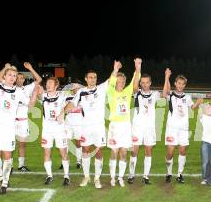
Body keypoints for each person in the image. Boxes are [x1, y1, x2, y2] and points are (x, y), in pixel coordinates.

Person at [0, 47, 34, 195]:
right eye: (9, 75)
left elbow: (30, 105)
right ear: (5, 76)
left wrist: (35, 92)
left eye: (14, 76)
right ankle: (2, 177)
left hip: (10, 128)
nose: (12, 77)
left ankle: (4, 183)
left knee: (8, 156)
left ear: (16, 78)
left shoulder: (19, 92)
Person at [66, 63, 121, 189]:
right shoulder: (80, 92)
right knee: (85, 151)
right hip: (85, 127)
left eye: (95, 77)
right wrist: (62, 113)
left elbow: (111, 79)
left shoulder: (101, 88)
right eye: (90, 77)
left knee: (98, 151)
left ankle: (97, 178)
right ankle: (86, 176)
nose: (93, 79)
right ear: (86, 79)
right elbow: (72, 104)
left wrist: (115, 69)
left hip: (98, 127)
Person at [0, 62, 42, 172]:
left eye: (22, 78)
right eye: (18, 78)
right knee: (9, 145)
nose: (20, 80)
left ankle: (21, 165)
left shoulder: (27, 89)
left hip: (23, 121)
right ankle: (9, 165)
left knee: (22, 144)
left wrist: (30, 68)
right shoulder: (9, 88)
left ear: (24, 80)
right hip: (10, 121)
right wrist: (6, 67)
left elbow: (39, 79)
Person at [128, 73, 169, 185]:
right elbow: (134, 87)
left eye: (147, 82)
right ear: (140, 83)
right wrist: (137, 69)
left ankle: (145, 176)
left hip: (149, 128)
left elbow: (165, 94)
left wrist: (166, 77)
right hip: (137, 127)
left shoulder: (154, 94)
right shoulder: (137, 93)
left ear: (150, 83)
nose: (145, 84)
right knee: (134, 151)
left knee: (148, 151)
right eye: (143, 82)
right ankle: (131, 175)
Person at [163, 68, 203, 183]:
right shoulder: (170, 95)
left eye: (183, 84)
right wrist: (167, 77)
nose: (180, 85)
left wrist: (198, 103)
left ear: (185, 85)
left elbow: (193, 107)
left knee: (183, 151)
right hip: (172, 128)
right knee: (170, 152)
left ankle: (180, 174)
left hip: (184, 129)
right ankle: (169, 172)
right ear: (175, 83)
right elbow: (164, 92)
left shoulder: (187, 97)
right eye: (179, 83)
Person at [29, 77, 71, 186]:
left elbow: (73, 102)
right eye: (47, 83)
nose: (47, 85)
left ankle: (66, 176)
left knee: (63, 152)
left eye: (50, 83)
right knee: (47, 153)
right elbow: (32, 101)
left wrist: (63, 112)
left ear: (56, 85)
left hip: (59, 129)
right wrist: (36, 88)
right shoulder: (43, 96)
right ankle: (49, 175)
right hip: (47, 130)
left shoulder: (62, 96)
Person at [106, 59, 141, 187]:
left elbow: (135, 81)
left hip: (126, 126)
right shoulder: (111, 92)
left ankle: (120, 177)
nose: (120, 83)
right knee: (114, 152)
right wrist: (115, 69)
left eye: (123, 81)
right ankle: (112, 177)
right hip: (115, 126)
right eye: (118, 81)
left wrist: (138, 67)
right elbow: (110, 81)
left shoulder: (127, 92)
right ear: (115, 82)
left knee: (124, 152)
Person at [64, 83, 84, 170]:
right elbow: (63, 108)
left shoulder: (83, 98)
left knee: (78, 143)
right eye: (74, 88)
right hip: (68, 123)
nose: (76, 89)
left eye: (78, 88)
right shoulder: (66, 97)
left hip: (79, 124)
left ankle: (79, 161)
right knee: (65, 142)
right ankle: (64, 160)